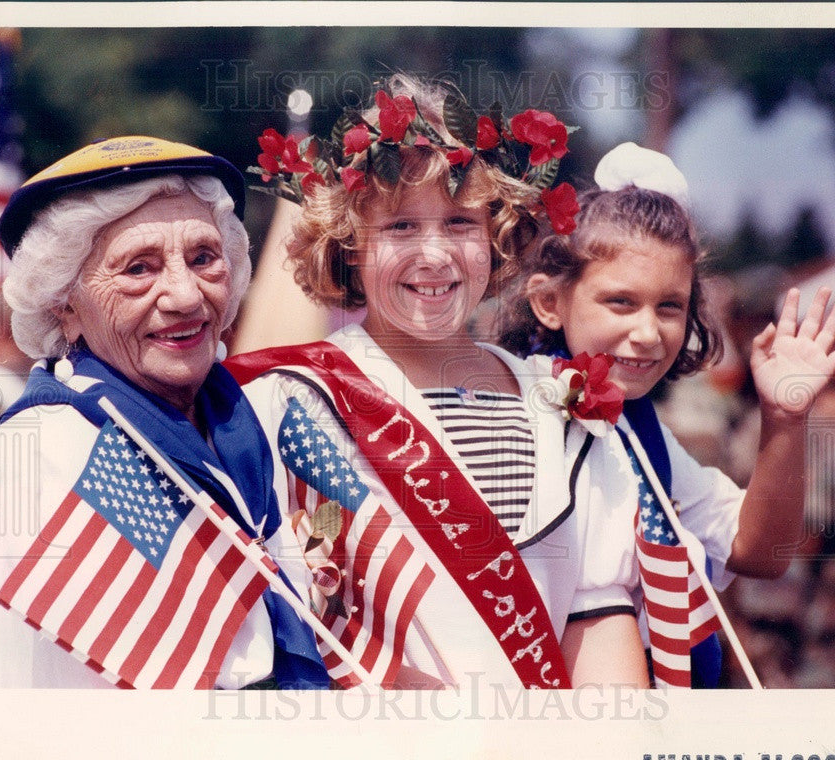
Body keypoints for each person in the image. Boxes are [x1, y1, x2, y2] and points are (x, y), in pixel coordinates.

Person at [227, 76, 649, 690]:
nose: (434, 254)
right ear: (349, 244)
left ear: (497, 234)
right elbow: (282, 624)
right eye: (399, 227)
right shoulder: (288, 400)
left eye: (459, 222)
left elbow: (597, 623)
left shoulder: (562, 405)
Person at [0, 136, 329, 690]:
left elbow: (326, 566)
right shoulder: (35, 460)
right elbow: (57, 721)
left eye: (203, 258)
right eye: (139, 269)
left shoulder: (265, 421)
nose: (185, 295)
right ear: (64, 306)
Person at [500, 142, 835, 686]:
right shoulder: (509, 410)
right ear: (550, 302)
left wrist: (784, 419)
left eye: (669, 306)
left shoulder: (641, 435)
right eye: (620, 302)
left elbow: (760, 551)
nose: (648, 333)